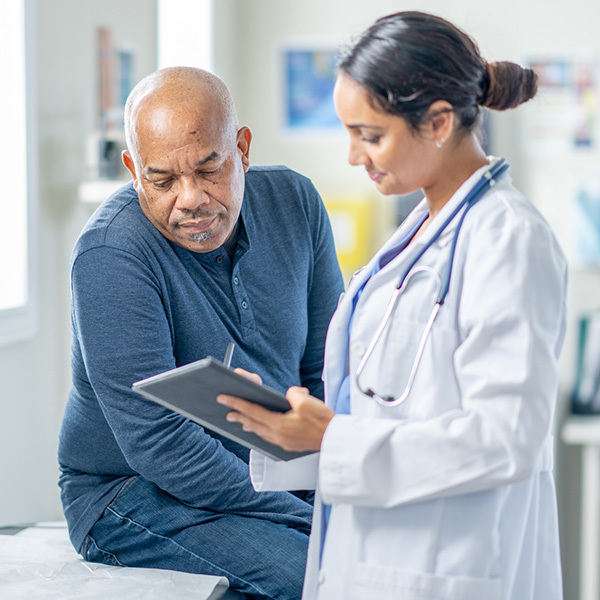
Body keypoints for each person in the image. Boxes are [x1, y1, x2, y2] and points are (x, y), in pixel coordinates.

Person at [218, 11, 567, 600]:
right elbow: (390, 410)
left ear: (437, 122)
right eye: (349, 133)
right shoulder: (417, 232)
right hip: (376, 554)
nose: (355, 156)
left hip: (453, 566)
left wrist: (335, 439)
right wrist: (297, 432)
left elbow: (506, 437)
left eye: (370, 135)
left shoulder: (508, 238)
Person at [58, 67, 344, 600]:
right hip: (131, 491)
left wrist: (336, 485)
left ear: (242, 148)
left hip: (274, 469)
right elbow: (158, 441)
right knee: (321, 576)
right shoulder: (111, 255)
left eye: (210, 169)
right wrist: (308, 515)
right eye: (162, 180)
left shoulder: (296, 203)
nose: (190, 199)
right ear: (133, 170)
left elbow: (327, 371)